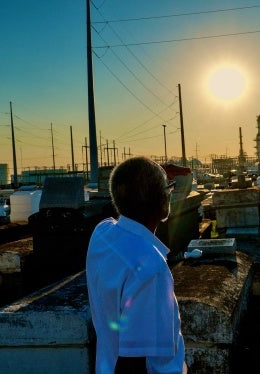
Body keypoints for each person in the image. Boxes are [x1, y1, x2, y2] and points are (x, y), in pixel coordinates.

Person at [86, 156, 187, 374]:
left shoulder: (101, 234)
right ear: (162, 203)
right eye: (169, 189)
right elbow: (132, 364)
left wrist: (155, 178)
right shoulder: (152, 271)